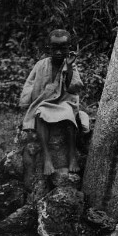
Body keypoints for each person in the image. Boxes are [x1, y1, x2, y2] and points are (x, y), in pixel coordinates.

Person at [19, 29, 83, 175]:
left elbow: (73, 87)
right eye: (55, 48)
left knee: (69, 115)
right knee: (40, 114)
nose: (59, 52)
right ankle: (47, 158)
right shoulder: (41, 65)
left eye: (63, 48)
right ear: (49, 48)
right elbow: (30, 84)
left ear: (69, 49)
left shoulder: (71, 65)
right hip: (44, 102)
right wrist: (25, 102)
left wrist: (69, 68)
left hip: (64, 101)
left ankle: (72, 155)